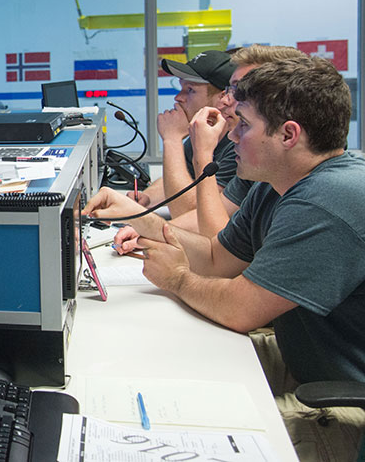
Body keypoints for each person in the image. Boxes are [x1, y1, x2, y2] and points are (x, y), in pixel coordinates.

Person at [87, 56, 365, 461]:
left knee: (180, 437)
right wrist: (144, 224)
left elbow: (239, 309)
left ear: (288, 135)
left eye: (245, 126)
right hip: (308, 362)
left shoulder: (327, 201)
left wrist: (178, 278)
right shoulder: (279, 183)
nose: (232, 137)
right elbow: (218, 258)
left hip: (345, 403)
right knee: (165, 369)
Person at [171, 45, 309, 236]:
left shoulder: (314, 195)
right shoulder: (264, 172)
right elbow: (221, 248)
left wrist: (192, 150)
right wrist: (148, 227)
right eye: (231, 88)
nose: (226, 100)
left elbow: (214, 240)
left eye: (239, 89)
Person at [132, 50, 236, 218]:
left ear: (222, 98)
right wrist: (148, 197)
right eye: (181, 87)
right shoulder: (202, 133)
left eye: (190, 90)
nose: (178, 97)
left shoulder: (237, 146)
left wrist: (171, 139)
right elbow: (180, 179)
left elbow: (192, 214)